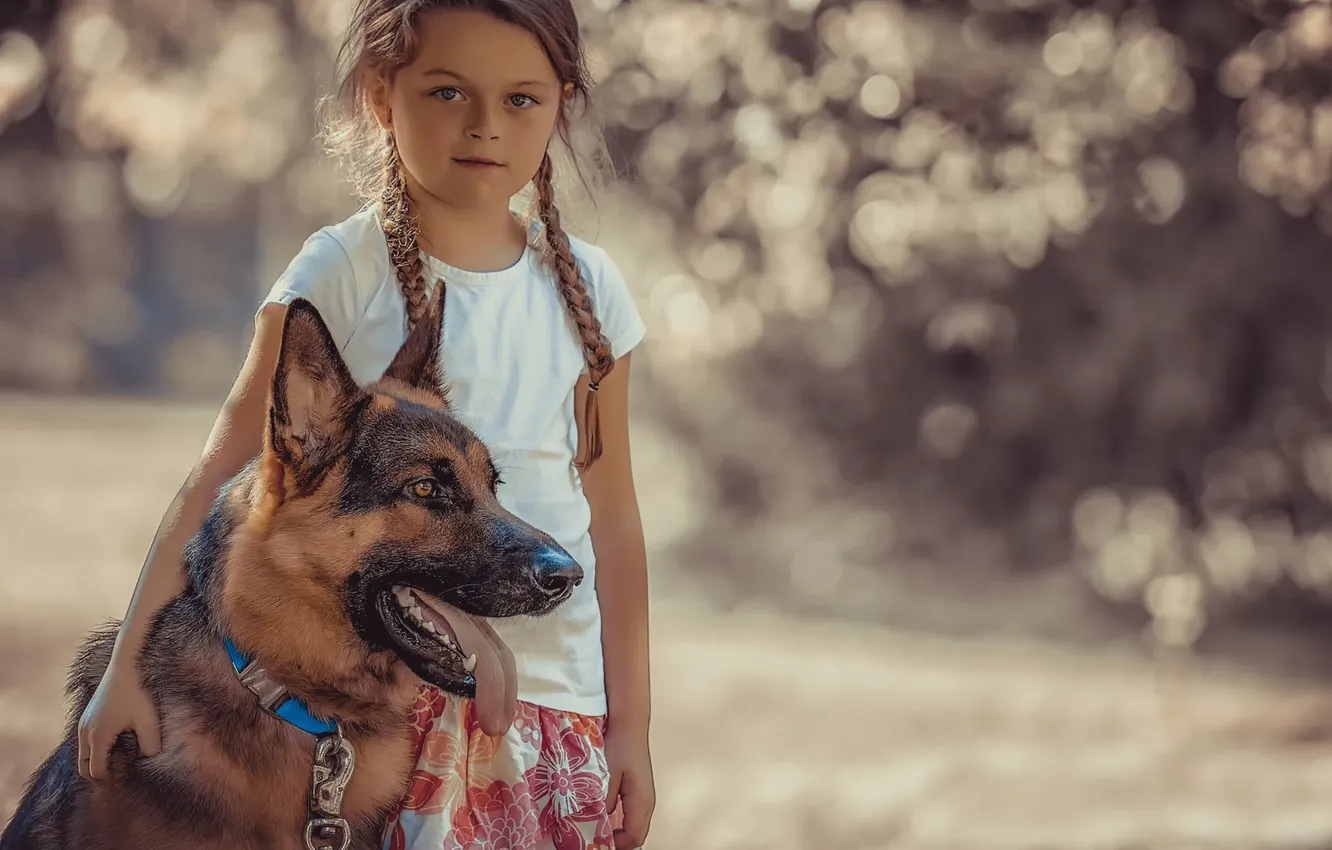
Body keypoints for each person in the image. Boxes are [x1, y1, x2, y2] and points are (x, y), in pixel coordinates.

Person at [75, 1, 656, 848]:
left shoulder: (591, 290)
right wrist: (127, 665)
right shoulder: (341, 267)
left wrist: (629, 728)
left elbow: (615, 520)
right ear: (383, 98)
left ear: (562, 104)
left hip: (555, 709)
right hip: (380, 716)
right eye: (449, 92)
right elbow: (218, 475)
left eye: (522, 99)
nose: (487, 126)